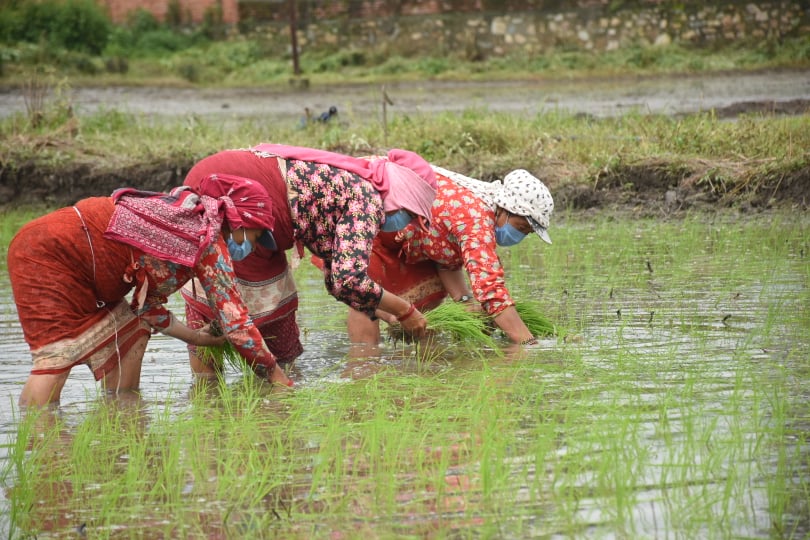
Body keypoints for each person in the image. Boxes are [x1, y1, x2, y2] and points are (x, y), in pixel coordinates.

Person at [7, 173, 293, 407]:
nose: (253, 247)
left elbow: (148, 310)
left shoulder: (186, 225)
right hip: (52, 252)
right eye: (255, 236)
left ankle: (121, 409)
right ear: (239, 221)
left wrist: (200, 338)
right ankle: (37, 438)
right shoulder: (207, 239)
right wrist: (278, 378)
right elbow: (237, 322)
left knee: (131, 330)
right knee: (57, 353)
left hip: (58, 248)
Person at [179, 143, 438, 377]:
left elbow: (337, 280)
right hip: (236, 194)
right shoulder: (367, 198)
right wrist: (407, 311)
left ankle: (211, 395)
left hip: (220, 181)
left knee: (222, 296)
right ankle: (275, 396)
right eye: (409, 213)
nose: (404, 223)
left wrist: (386, 313)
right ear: (400, 197)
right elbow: (349, 279)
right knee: (262, 319)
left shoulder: (350, 183)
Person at [345, 166, 554, 347]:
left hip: (403, 236)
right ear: (506, 209)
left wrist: (465, 302)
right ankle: (364, 364)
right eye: (521, 227)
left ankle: (417, 367)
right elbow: (492, 292)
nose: (520, 235)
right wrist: (527, 343)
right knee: (364, 294)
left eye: (527, 233)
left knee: (429, 296)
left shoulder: (481, 207)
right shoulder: (476, 219)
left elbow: (445, 259)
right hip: (368, 215)